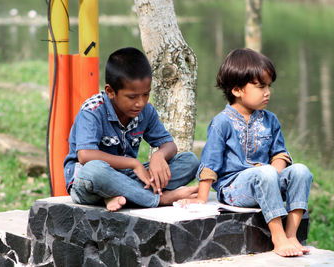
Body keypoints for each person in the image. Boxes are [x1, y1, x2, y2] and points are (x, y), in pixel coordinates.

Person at [179, 48, 313, 257]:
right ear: (237, 90)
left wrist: (275, 175)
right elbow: (210, 161)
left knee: (301, 171)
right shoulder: (222, 122)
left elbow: (280, 154)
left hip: (266, 179)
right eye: (260, 86)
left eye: (269, 86)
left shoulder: (270, 120)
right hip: (234, 188)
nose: (267, 92)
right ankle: (277, 238)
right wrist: (202, 198)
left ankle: (291, 235)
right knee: (266, 173)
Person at [64, 47, 199, 212]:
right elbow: (85, 156)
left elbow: (169, 145)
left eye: (146, 95)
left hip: (126, 177)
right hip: (88, 181)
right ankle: (160, 198)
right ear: (111, 91)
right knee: (95, 170)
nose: (140, 103)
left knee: (189, 161)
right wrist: (134, 163)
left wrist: (159, 155)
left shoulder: (145, 111)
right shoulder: (92, 111)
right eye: (132, 97)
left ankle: (122, 195)